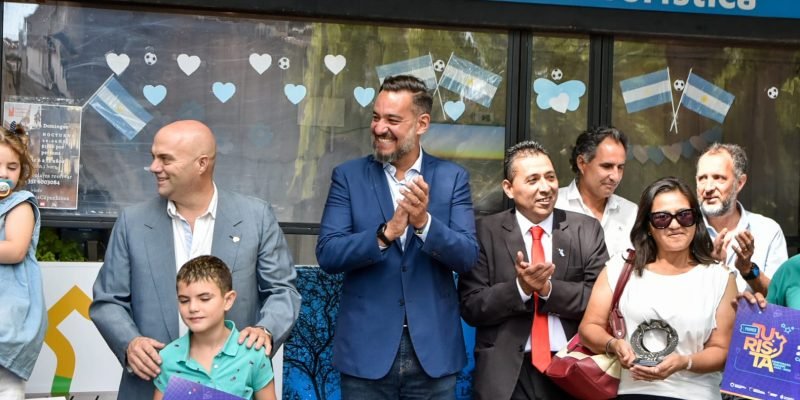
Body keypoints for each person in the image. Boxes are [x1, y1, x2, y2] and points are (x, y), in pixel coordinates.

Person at [90, 120, 301, 400]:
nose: (154, 167)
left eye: (165, 159)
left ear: (201, 164)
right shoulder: (132, 222)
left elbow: (282, 291)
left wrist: (266, 330)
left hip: (233, 388)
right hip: (150, 384)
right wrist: (130, 343)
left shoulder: (255, 218)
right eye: (153, 157)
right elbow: (108, 301)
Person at [316, 75, 479, 399]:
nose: (379, 128)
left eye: (392, 120)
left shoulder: (452, 178)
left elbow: (467, 257)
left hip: (433, 354)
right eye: (376, 117)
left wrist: (424, 224)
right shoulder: (348, 177)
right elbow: (328, 253)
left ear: (422, 124)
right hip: (366, 353)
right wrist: (385, 233)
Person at [458, 140, 608, 400]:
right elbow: (472, 306)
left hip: (572, 369)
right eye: (533, 180)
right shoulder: (485, 232)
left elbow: (600, 301)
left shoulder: (585, 230)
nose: (545, 188)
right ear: (509, 188)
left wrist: (548, 289)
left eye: (550, 177)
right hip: (507, 375)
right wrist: (521, 289)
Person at [579, 177, 738, 400]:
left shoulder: (719, 277)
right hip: (633, 392)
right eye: (662, 218)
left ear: (696, 220)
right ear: (648, 225)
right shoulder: (621, 267)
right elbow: (589, 327)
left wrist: (685, 362)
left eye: (684, 215)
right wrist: (613, 344)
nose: (675, 225)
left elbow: (722, 350)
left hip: (696, 394)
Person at [153, 255, 275, 400]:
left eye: (204, 299)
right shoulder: (168, 358)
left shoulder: (253, 354)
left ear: (228, 300)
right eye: (184, 300)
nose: (193, 308)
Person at [696, 143, 787, 294]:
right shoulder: (683, 229)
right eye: (702, 178)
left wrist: (748, 269)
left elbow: (778, 296)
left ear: (739, 183)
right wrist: (711, 268)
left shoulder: (768, 231)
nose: (708, 188)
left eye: (719, 178)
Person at [0, 123, 46, 400]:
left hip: (7, 316)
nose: (3, 173)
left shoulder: (20, 204)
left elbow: (15, 250)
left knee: (7, 385)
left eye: (12, 167)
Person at [556, 127, 637, 259]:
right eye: (607, 166)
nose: (615, 176)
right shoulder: (555, 205)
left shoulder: (631, 213)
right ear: (582, 163)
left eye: (620, 167)